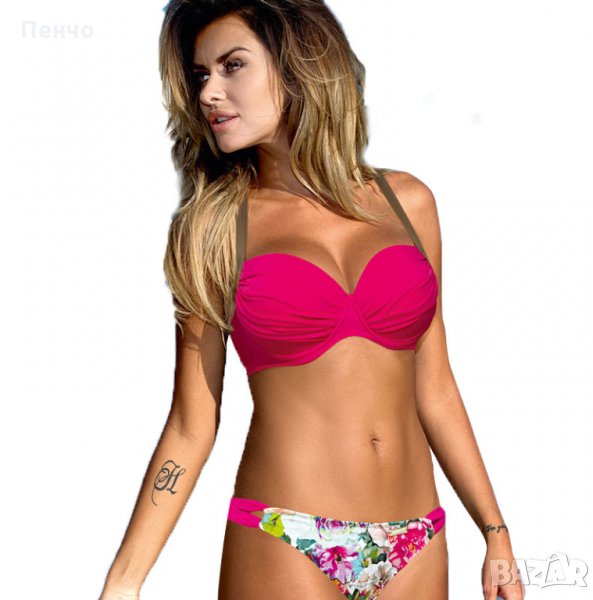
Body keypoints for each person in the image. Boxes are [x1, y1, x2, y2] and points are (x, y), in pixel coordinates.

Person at [100, 1, 524, 599]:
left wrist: (495, 530)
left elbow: (436, 387)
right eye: (200, 76)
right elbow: (192, 424)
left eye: (232, 66)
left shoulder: (409, 203)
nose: (209, 93)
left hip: (418, 537)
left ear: (298, 63)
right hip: (286, 534)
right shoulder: (213, 229)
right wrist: (124, 582)